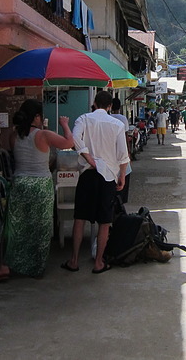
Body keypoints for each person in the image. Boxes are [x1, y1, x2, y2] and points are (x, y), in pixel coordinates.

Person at [0, 99, 73, 282]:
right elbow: (68, 143)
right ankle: (35, 267)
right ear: (36, 117)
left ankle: (7, 265)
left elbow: (18, 155)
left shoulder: (13, 135)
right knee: (40, 228)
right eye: (41, 115)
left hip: (19, 184)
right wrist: (65, 124)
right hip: (40, 185)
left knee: (18, 227)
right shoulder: (43, 135)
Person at [62, 91, 129, 274]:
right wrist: (122, 175)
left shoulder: (83, 118)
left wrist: (87, 156)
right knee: (105, 222)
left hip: (88, 174)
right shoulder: (117, 124)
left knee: (80, 218)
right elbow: (123, 155)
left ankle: (74, 260)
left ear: (94, 103)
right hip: (107, 176)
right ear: (109, 107)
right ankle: (98, 262)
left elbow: (74, 139)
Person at [109, 97, 132, 204]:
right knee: (124, 175)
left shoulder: (107, 118)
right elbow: (126, 136)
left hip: (110, 152)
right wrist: (128, 152)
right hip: (121, 151)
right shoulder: (122, 118)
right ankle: (120, 204)